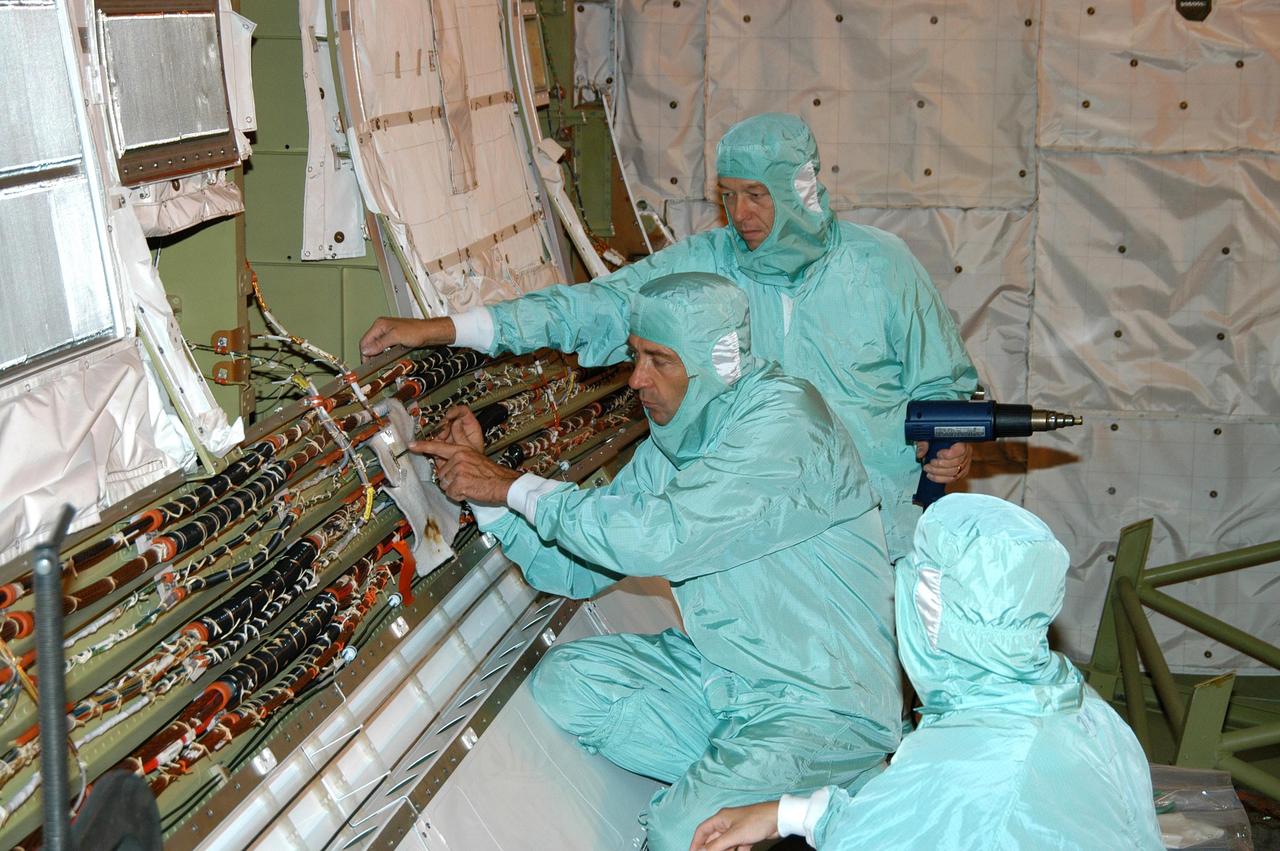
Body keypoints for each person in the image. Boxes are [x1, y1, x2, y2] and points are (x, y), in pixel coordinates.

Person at [416, 273, 902, 851]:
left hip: (823, 698)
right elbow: (574, 570)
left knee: (682, 833)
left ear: (717, 362)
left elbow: (659, 537)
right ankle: (765, 786)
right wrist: (485, 495)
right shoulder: (672, 442)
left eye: (659, 360)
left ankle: (817, 776)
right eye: (634, 355)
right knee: (568, 683)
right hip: (727, 670)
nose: (637, 380)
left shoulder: (785, 424)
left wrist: (513, 486)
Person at [363, 112, 978, 562]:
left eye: (757, 196)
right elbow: (595, 306)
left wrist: (952, 444)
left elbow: (946, 384)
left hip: (882, 529)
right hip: (758, 530)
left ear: (802, 189)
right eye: (728, 197)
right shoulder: (709, 264)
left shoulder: (882, 267)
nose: (740, 216)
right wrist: (449, 329)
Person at [688, 494, 1164, 851]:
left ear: (929, 610)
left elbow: (886, 832)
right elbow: (910, 816)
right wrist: (786, 814)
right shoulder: (1074, 706)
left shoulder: (974, 762)